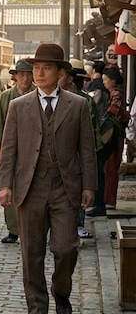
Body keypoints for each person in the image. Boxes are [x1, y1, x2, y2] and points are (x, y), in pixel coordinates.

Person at [0, 43, 97, 314]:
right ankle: (37, 309)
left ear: (60, 73)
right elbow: (10, 150)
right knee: (31, 252)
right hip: (29, 187)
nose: (39, 73)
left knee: (66, 247)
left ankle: (60, 291)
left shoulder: (77, 105)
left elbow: (87, 149)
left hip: (65, 187)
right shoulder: (18, 106)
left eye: (46, 68)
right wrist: (5, 185)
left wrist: (89, 185)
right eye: (36, 68)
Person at [0, 59, 35, 243]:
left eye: (29, 74)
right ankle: (13, 230)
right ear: (15, 76)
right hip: (11, 148)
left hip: (35, 148)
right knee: (9, 186)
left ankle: (34, 229)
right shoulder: (6, 97)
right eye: (22, 74)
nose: (26, 78)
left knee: (34, 189)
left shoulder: (40, 94)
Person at [62, 59, 99, 239]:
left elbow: (90, 134)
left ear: (70, 79)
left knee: (77, 191)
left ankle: (77, 224)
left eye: (62, 74)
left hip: (77, 154)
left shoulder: (85, 101)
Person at [89, 65, 128, 215]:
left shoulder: (116, 94)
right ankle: (107, 200)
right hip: (115, 134)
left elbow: (113, 112)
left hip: (112, 135)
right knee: (110, 168)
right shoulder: (115, 93)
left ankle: (108, 200)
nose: (104, 82)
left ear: (113, 80)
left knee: (110, 168)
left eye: (106, 79)